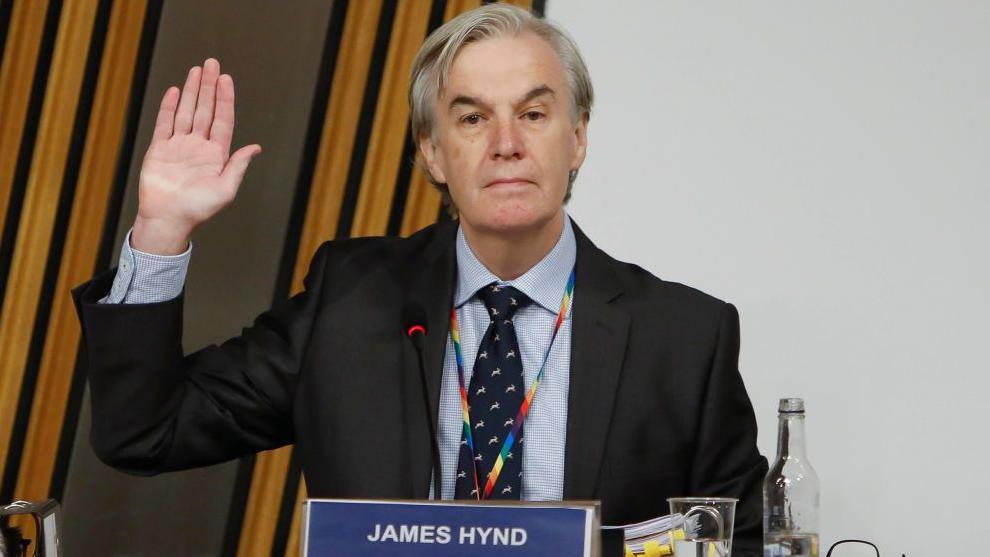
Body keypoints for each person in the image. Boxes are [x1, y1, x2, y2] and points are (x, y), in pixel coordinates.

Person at [73, 4, 767, 553]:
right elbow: (146, 431)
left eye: (533, 113)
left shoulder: (684, 337)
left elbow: (743, 546)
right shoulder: (348, 299)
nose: (506, 142)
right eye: (472, 117)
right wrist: (161, 231)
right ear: (433, 150)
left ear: (578, 135)